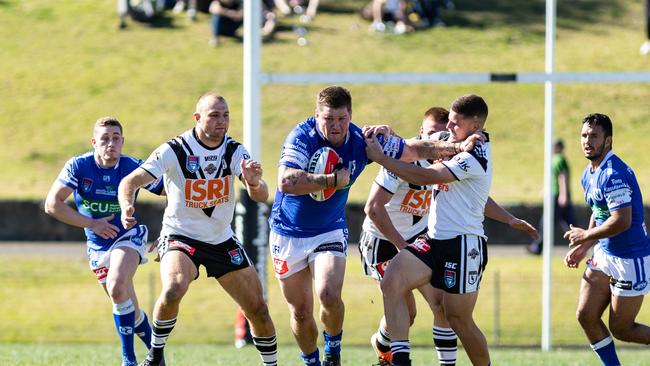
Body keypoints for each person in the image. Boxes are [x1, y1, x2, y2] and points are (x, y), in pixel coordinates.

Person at [269, 86, 479, 366]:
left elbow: (413, 149)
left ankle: (333, 350)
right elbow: (286, 181)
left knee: (329, 294)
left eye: (342, 119)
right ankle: (312, 360)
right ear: (316, 115)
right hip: (289, 232)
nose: (335, 126)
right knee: (301, 312)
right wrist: (331, 180)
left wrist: (457, 147)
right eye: (328, 119)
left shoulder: (361, 140)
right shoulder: (301, 137)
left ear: (351, 115)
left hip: (329, 229)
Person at [361, 106, 538, 365]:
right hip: (420, 240)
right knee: (393, 281)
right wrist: (389, 137)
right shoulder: (448, 143)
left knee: (458, 319)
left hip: (463, 244)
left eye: (454, 124)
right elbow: (415, 150)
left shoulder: (472, 155)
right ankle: (398, 360)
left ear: (475, 127)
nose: (443, 134)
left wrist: (385, 158)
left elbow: (429, 175)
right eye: (442, 127)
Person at [117, 93, 278, 366]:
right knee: (174, 287)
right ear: (197, 118)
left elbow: (261, 195)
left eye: (225, 115)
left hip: (220, 239)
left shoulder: (234, 151)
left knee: (259, 310)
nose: (222, 122)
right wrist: (126, 207)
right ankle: (155, 354)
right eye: (214, 115)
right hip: (180, 235)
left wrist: (253, 183)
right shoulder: (175, 149)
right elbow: (130, 182)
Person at [44, 116, 164, 366]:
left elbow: (172, 191)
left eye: (116, 138)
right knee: (127, 303)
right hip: (97, 246)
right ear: (94, 142)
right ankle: (157, 357)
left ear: (122, 141)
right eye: (105, 139)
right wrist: (92, 224)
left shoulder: (133, 167)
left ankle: (128, 360)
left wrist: (169, 230)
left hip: (127, 237)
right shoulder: (79, 166)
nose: (111, 144)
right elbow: (52, 205)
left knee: (117, 286)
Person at [563, 113, 650, 366]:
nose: (587, 141)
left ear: (608, 141)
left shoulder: (613, 173)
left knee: (622, 329)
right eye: (584, 135)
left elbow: (621, 220)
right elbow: (599, 211)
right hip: (605, 253)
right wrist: (585, 246)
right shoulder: (588, 173)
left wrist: (586, 235)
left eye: (594, 136)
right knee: (586, 315)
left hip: (630, 259)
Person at [527, 139, 575, 255]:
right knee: (569, 223)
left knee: (546, 222)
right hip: (556, 194)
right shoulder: (554, 159)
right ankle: (580, 243)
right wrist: (545, 189)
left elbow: (562, 176)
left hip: (557, 195)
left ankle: (537, 247)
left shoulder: (559, 159)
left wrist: (563, 194)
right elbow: (552, 177)